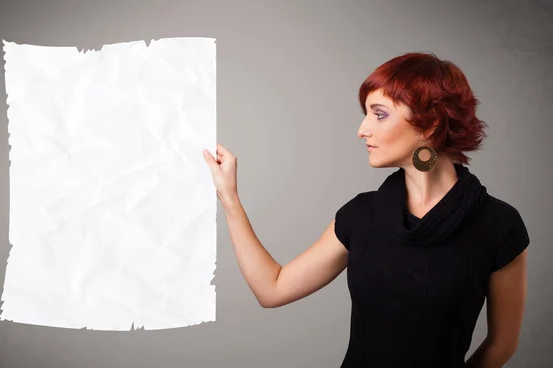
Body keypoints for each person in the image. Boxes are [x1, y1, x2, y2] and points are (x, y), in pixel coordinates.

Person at [201, 52, 530, 368]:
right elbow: (272, 289)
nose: (362, 129)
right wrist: (230, 198)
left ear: (429, 124)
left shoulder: (499, 226)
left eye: (379, 114)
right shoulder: (361, 216)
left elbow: (502, 345)